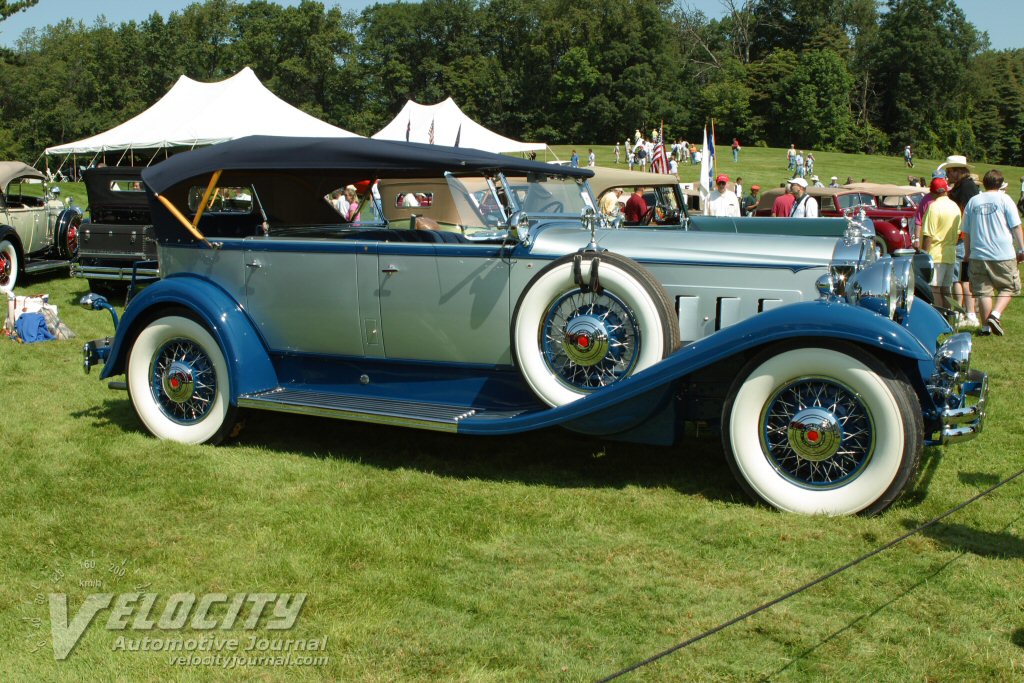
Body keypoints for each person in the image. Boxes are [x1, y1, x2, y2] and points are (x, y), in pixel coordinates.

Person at [962, 169, 1024, 336]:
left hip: (978, 253)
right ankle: (995, 316)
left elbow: (966, 231)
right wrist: (1022, 249)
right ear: (1001, 183)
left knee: (984, 291)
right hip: (1002, 253)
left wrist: (967, 253)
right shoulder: (1005, 199)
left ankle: (985, 328)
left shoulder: (973, 201)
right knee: (1009, 287)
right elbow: (1016, 226)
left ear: (984, 183)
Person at [941, 154, 981, 327]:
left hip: (962, 237)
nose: (947, 175)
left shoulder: (966, 187)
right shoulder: (963, 186)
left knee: (962, 277)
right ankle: (966, 312)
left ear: (957, 171)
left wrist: (960, 233)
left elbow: (965, 212)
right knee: (959, 277)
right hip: (962, 236)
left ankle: (969, 314)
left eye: (949, 171)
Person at [920, 177, 960, 308]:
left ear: (933, 192)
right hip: (950, 253)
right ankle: (948, 316)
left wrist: (923, 255)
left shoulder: (934, 207)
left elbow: (928, 235)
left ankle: (939, 315)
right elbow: (958, 232)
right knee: (945, 289)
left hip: (935, 254)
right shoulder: (955, 206)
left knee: (934, 289)